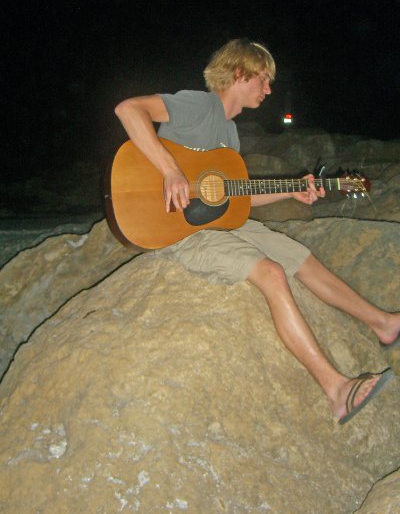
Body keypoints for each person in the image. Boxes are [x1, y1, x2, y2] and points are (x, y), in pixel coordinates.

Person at [115, 38, 399, 424]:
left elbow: (234, 198)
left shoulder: (229, 137)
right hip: (179, 230)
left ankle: (383, 323)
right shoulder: (198, 105)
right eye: (263, 79)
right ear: (239, 73)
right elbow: (128, 109)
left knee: (299, 257)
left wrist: (294, 191)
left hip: (224, 223)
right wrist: (170, 169)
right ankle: (336, 391)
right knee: (271, 272)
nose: (268, 90)